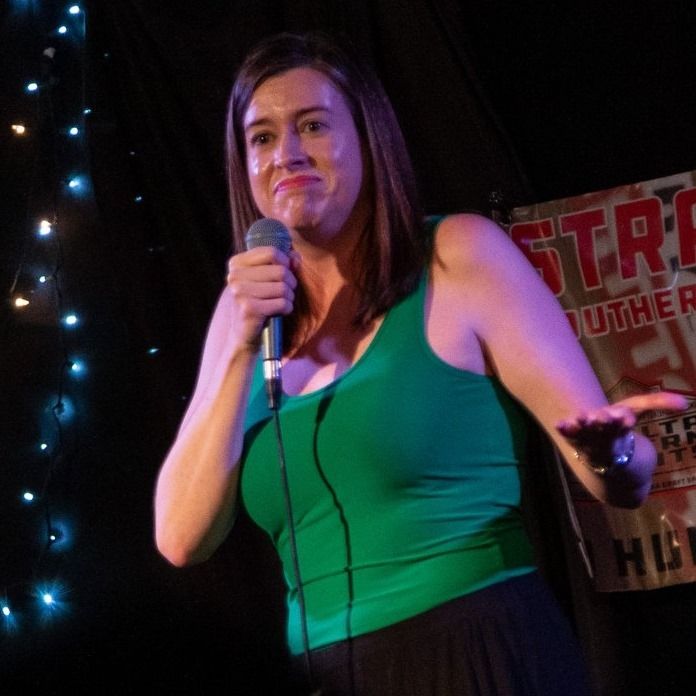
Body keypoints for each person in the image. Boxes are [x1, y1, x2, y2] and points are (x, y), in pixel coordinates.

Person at [153, 31, 688, 695]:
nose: (286, 153)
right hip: (327, 673)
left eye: (313, 125)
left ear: (368, 137)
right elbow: (180, 538)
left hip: (476, 648)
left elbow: (620, 478)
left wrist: (612, 452)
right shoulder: (242, 316)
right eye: (261, 137)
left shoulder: (459, 254)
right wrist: (237, 344)